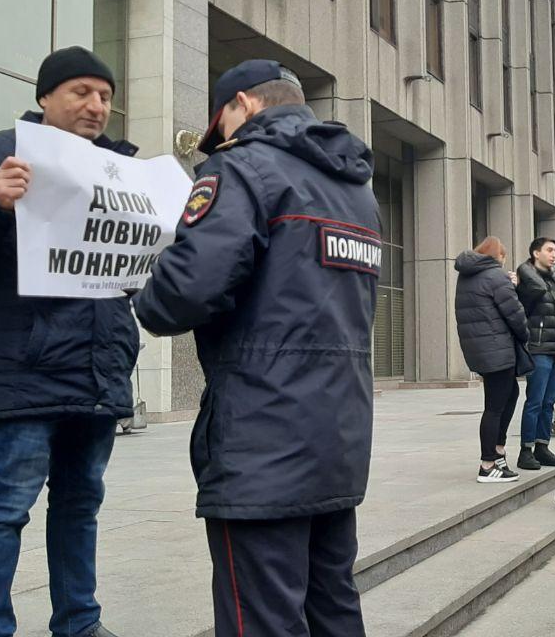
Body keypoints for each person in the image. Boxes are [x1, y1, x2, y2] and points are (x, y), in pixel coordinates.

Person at [132, 59, 378, 635]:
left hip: (263, 437)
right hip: (337, 435)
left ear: (242, 104)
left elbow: (183, 294)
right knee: (333, 606)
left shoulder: (242, 169)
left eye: (220, 128)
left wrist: (145, 288)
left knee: (261, 619)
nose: (219, 142)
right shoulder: (355, 189)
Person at [0, 46, 135, 637]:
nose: (96, 106)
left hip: (98, 367)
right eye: (81, 92)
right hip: (25, 367)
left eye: (105, 96)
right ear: (46, 96)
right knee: (3, 511)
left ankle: (79, 622)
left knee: (79, 507)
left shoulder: (121, 168)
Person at [454, 237, 530, 483]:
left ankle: (498, 452)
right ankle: (488, 463)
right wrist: (524, 335)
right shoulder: (496, 277)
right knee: (495, 406)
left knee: (510, 394)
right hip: (497, 348)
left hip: (481, 348)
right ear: (499, 257)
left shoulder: (466, 276)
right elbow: (515, 313)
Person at [516, 237, 555, 470]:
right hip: (538, 350)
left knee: (549, 402)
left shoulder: (552, 279)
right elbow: (530, 298)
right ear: (536, 253)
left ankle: (542, 446)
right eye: (549, 250)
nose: (554, 254)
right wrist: (525, 272)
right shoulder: (528, 278)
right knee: (535, 402)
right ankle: (525, 451)